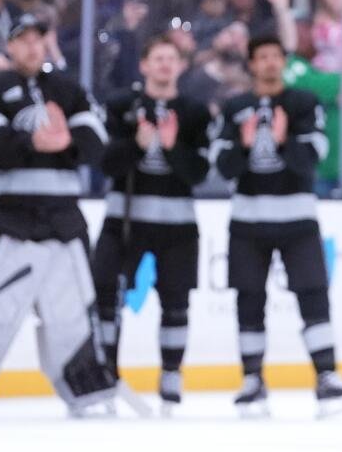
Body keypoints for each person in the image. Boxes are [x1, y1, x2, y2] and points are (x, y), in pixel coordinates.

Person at [0, 15, 117, 416]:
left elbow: (97, 139)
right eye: (23, 40)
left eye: (39, 39)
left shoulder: (67, 89)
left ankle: (87, 391)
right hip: (7, 220)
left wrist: (65, 142)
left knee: (70, 311)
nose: (33, 47)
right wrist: (36, 141)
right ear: (9, 46)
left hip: (62, 222)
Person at [212, 36, 342, 417]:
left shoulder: (303, 103)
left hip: (297, 218)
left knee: (312, 294)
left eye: (277, 56)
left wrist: (281, 140)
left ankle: (327, 377)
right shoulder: (234, 107)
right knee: (249, 298)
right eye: (262, 57)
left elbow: (313, 158)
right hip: (247, 220)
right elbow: (222, 166)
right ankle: (252, 380)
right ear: (251, 64)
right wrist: (245, 148)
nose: (271, 63)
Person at [91, 35, 211, 415]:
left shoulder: (195, 111)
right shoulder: (121, 105)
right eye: (156, 57)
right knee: (107, 297)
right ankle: (106, 375)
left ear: (179, 66)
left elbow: (200, 173)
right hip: (124, 221)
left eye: (170, 58)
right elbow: (106, 163)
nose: (163, 64)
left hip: (177, 226)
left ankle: (171, 377)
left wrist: (173, 148)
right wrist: (137, 146)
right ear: (143, 65)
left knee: (176, 303)